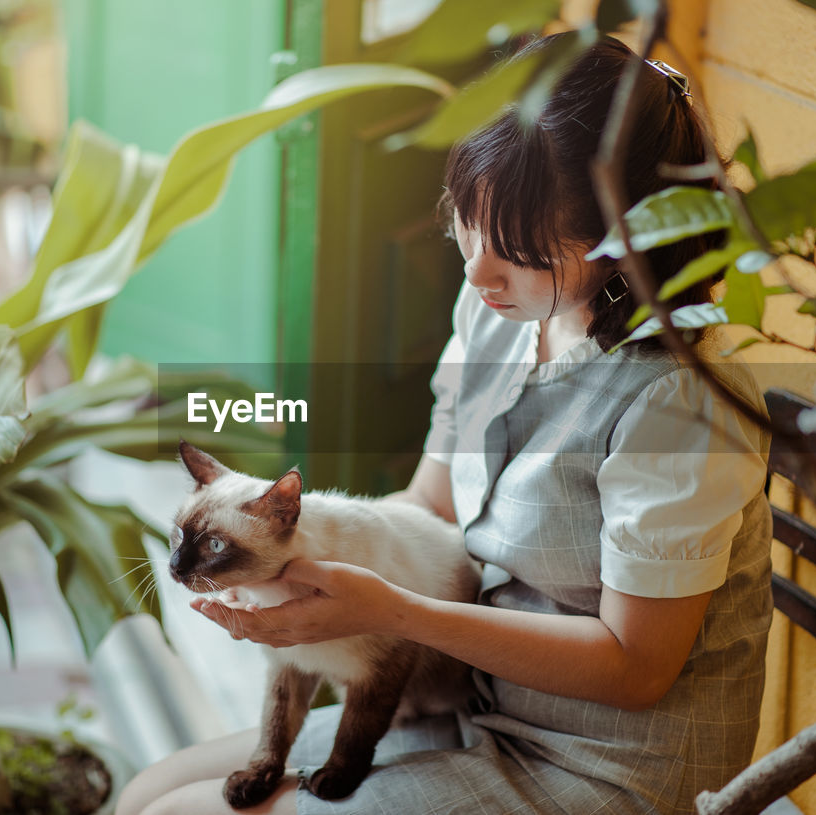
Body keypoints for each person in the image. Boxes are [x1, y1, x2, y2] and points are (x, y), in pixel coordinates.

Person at [117, 34, 772, 815]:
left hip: (611, 765)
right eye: (468, 219)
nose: (477, 270)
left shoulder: (678, 398)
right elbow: (431, 509)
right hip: (473, 699)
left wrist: (394, 612)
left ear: (624, 247)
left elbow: (636, 668)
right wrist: (304, 554)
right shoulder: (496, 311)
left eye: (523, 251)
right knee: (149, 792)